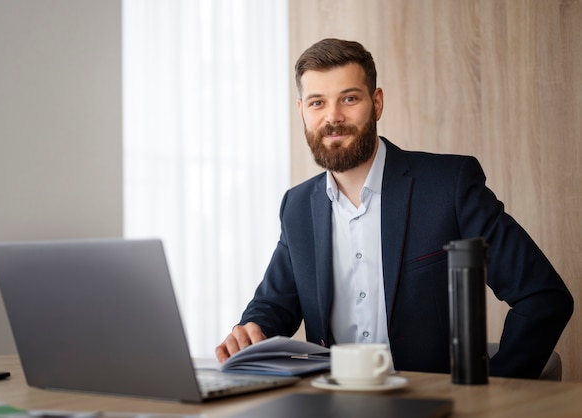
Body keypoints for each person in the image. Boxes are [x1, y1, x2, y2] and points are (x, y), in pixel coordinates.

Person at [214, 38, 573, 378]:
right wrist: (248, 333)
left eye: (349, 99)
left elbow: (542, 297)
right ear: (302, 111)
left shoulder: (449, 186)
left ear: (377, 103)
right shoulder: (296, 206)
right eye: (317, 102)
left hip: (432, 407)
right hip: (332, 404)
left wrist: (493, 389)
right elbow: (274, 306)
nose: (332, 116)